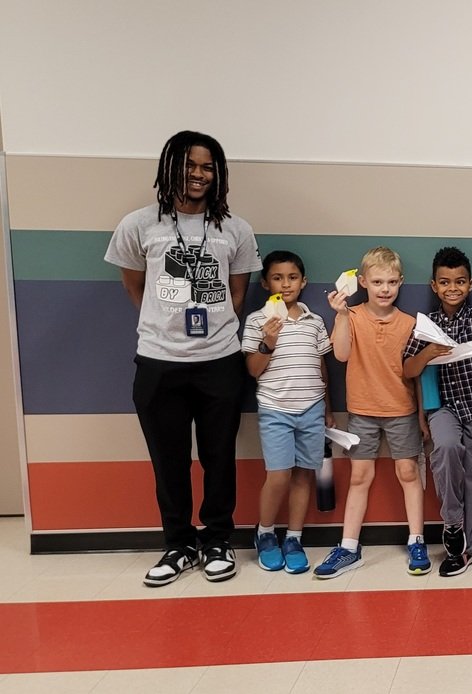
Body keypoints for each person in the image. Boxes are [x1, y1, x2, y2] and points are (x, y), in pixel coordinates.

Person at [104, 130, 262, 586]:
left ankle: (217, 540)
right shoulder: (138, 224)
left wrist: (209, 330)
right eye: (189, 165)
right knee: (168, 461)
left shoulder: (236, 229)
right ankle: (178, 544)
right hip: (158, 362)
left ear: (218, 174)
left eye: (207, 167)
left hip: (220, 362)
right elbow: (134, 287)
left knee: (219, 458)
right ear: (170, 168)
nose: (198, 174)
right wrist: (167, 324)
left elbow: (237, 296)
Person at [314, 247, 431, 578]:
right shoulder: (351, 316)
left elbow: (417, 374)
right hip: (362, 412)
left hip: (402, 410)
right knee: (360, 477)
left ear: (401, 282)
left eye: (391, 282)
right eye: (377, 282)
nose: (385, 288)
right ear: (363, 282)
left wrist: (421, 415)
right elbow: (340, 354)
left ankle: (417, 540)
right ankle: (349, 547)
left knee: (409, 472)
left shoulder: (410, 323)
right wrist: (340, 315)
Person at [402, 247, 472, 577]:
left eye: (460, 282)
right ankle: (452, 525)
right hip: (443, 409)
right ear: (434, 285)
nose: (453, 288)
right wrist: (429, 353)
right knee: (446, 450)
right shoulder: (427, 324)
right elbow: (408, 369)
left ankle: (467, 550)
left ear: (470, 284)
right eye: (445, 282)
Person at [242, 251, 332, 574]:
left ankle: (294, 538)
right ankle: (265, 533)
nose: (286, 284)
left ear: (303, 281)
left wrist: (327, 408)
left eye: (292, 277)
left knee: (304, 475)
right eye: (277, 278)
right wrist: (268, 341)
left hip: (312, 408)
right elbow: (253, 369)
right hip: (275, 409)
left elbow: (322, 366)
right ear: (266, 283)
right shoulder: (257, 321)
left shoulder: (314, 321)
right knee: (278, 475)